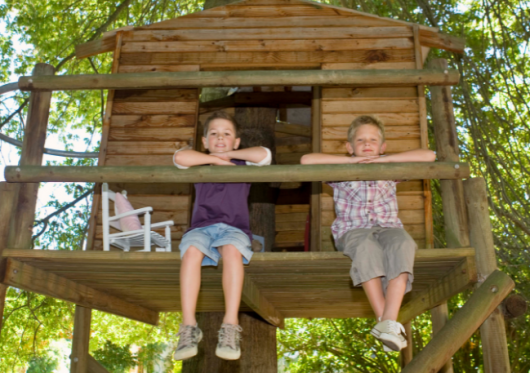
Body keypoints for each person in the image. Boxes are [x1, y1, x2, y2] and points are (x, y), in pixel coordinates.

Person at [301, 115, 435, 352]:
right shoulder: (339, 171)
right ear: (349, 147)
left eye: (373, 140)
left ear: (382, 146)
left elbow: (429, 156)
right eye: (360, 140)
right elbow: (306, 160)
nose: (367, 144)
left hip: (389, 228)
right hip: (353, 230)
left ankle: (387, 322)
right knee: (366, 248)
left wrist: (386, 159)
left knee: (404, 245)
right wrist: (350, 162)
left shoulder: (390, 168)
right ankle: (386, 323)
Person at [172, 111, 271, 361]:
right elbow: (179, 157)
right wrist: (215, 161)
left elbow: (265, 155)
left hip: (233, 228)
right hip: (200, 228)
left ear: (236, 142)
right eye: (213, 134)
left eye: (227, 134)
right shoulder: (199, 161)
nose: (220, 138)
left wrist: (229, 156)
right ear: (204, 141)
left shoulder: (242, 162)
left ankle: (229, 324)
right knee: (191, 252)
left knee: (232, 251)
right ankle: (188, 326)